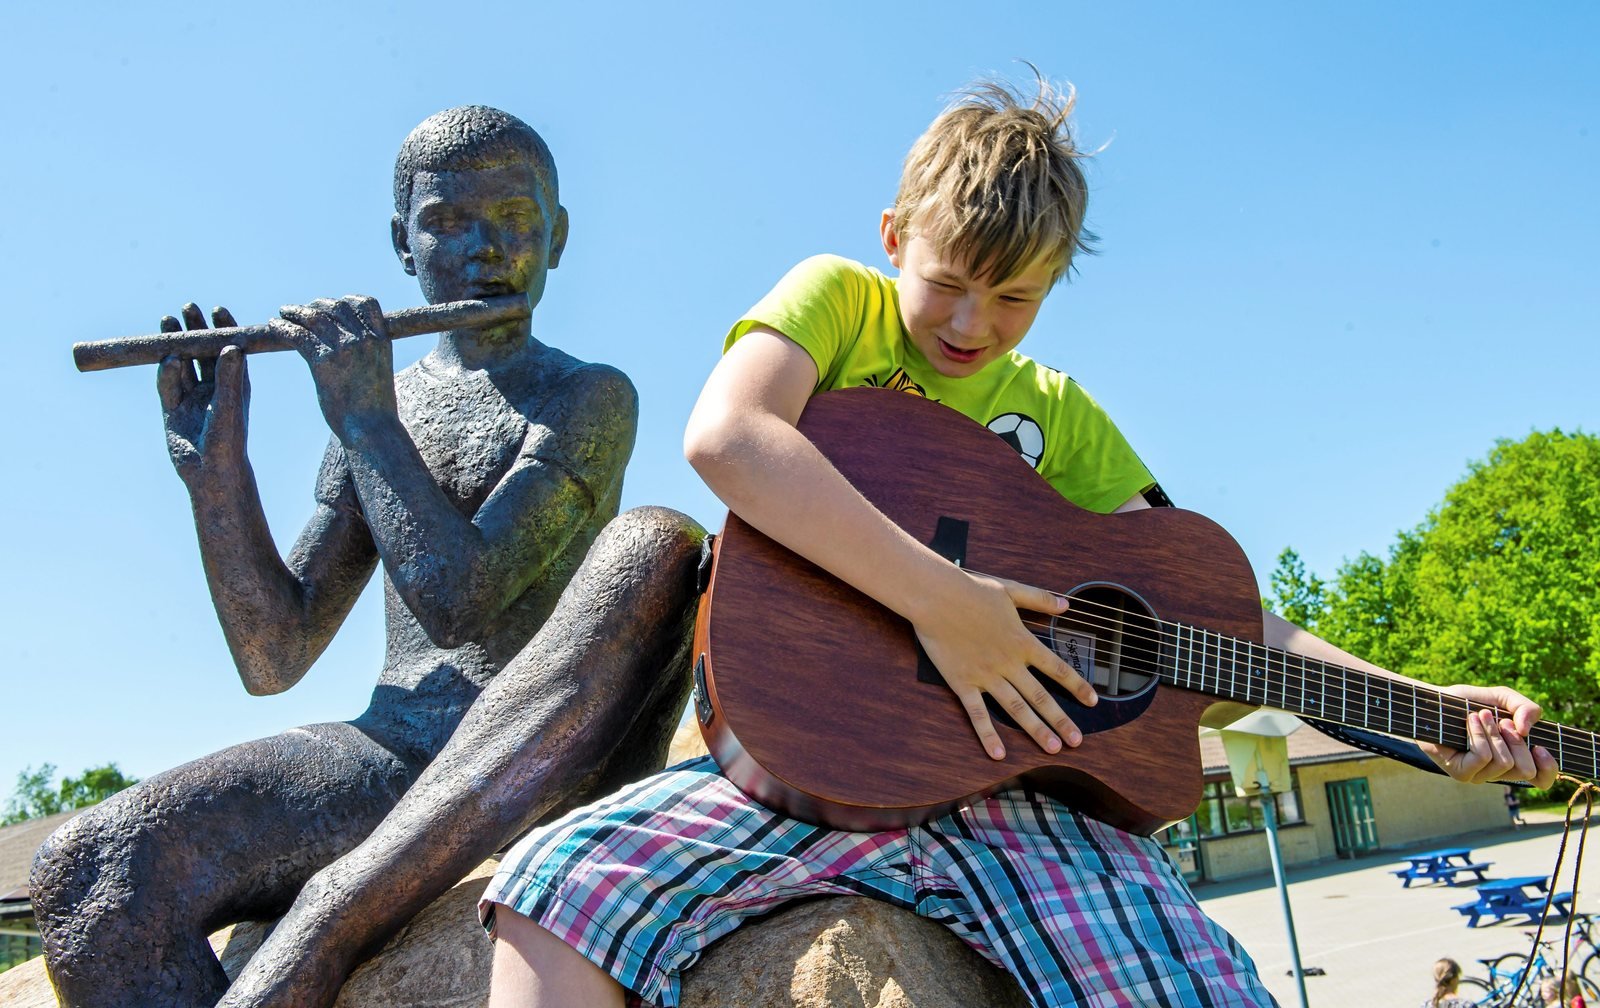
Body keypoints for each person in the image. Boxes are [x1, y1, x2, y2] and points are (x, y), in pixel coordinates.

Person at [477, 74, 1560, 1008]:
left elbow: (1221, 624)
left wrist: (1429, 711)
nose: (969, 324)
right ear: (895, 236)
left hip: (1013, 795)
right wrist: (946, 605)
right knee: (550, 885)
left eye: (1013, 298)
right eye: (946, 282)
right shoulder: (838, 302)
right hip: (793, 773)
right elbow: (729, 439)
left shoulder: (1060, 413)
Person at [31, 106, 704, 1008]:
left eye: (514, 220)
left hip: (506, 764)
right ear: (402, 241)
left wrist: (364, 419)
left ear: (558, 237)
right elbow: (275, 653)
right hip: (387, 753)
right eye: (448, 222)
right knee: (92, 867)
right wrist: (216, 478)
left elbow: (459, 599)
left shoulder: (584, 398)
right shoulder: (387, 403)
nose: (485, 249)